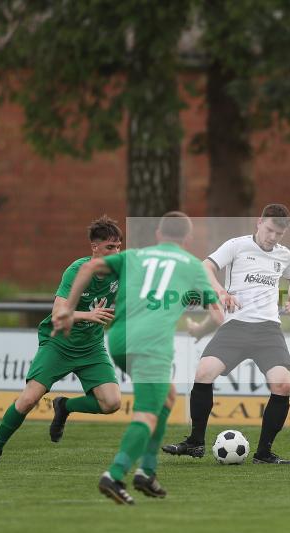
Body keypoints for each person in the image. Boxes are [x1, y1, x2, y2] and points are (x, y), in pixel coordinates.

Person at [52, 212, 222, 505]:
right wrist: (198, 330)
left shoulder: (135, 256)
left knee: (167, 397)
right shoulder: (193, 266)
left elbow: (89, 268)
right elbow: (218, 315)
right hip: (151, 346)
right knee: (147, 413)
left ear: (158, 234)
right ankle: (115, 475)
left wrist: (67, 309)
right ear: (188, 239)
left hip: (118, 339)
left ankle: (148, 471)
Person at [162, 204, 290, 465]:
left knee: (282, 385)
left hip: (268, 329)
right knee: (204, 372)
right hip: (235, 326)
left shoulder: (284, 255)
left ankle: (264, 453)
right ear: (259, 222)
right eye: (270, 230)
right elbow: (206, 266)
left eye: (278, 234)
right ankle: (195, 442)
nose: (272, 237)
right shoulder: (237, 245)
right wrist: (221, 291)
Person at [0, 216, 123, 462]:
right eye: (110, 247)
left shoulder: (120, 271)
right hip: (59, 343)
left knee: (112, 403)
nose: (116, 252)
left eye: (119, 246)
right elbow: (58, 312)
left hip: (90, 347)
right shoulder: (77, 271)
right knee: (28, 400)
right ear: (95, 247)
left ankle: (64, 407)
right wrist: (90, 314)